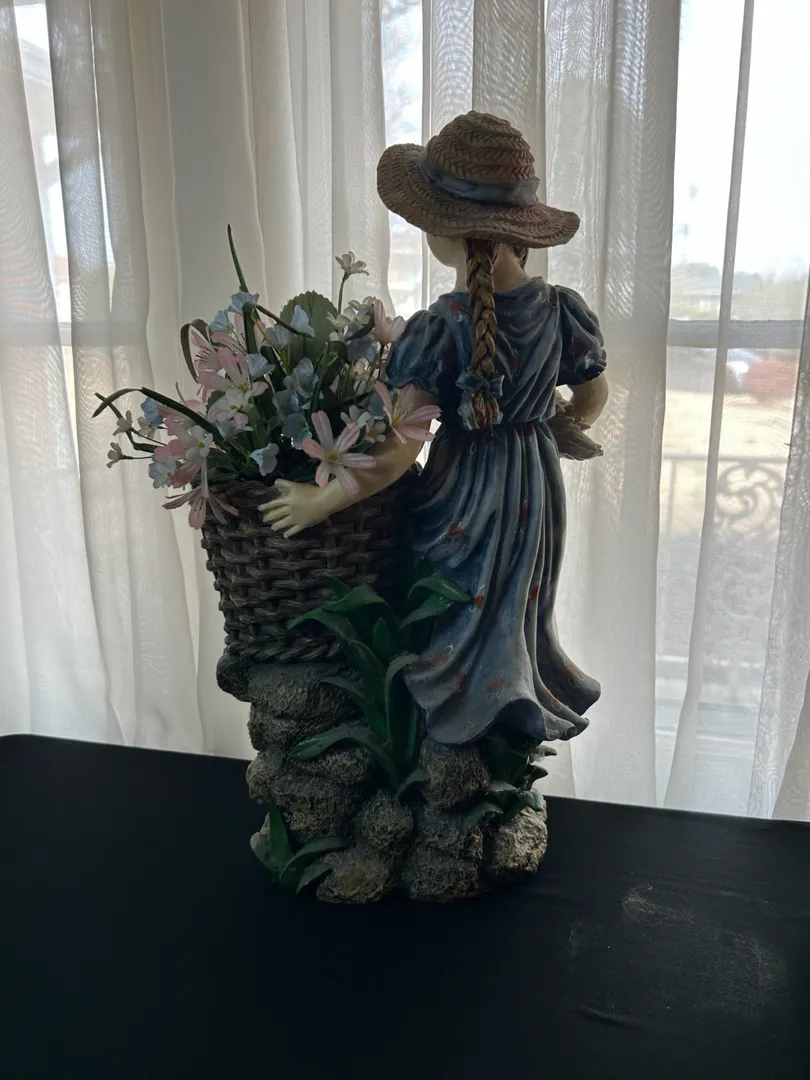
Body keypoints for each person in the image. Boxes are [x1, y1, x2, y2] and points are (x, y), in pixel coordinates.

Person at [263, 111, 608, 746]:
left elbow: (400, 452)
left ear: (451, 234)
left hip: (465, 489)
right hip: (535, 489)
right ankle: (508, 705)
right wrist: (547, 430)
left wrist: (320, 500)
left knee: (448, 596)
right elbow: (592, 394)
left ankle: (455, 723)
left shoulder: (442, 324)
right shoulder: (562, 310)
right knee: (514, 600)